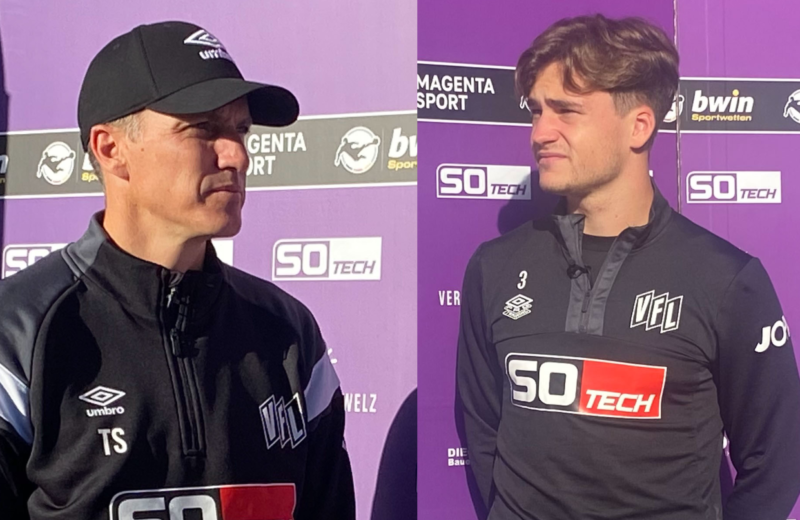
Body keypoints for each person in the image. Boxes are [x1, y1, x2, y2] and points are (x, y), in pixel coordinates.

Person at [0, 21, 354, 519]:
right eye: (203, 128)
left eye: (241, 130)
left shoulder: (289, 331)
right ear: (111, 149)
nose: (237, 155)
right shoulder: (20, 332)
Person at [457, 14, 800, 520]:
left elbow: (777, 462)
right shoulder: (494, 266)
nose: (540, 132)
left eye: (566, 111)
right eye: (536, 111)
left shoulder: (726, 279)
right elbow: (484, 430)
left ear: (639, 125)